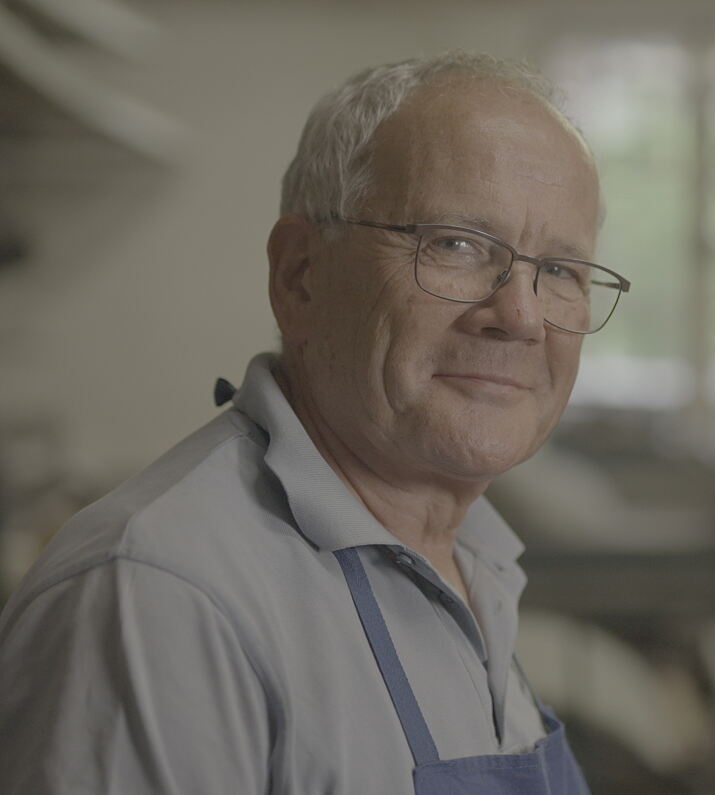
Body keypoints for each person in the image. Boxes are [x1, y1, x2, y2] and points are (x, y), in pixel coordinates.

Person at [0, 52, 629, 794]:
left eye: (560, 271)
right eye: (456, 244)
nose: (520, 315)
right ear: (299, 274)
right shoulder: (159, 596)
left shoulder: (471, 559)